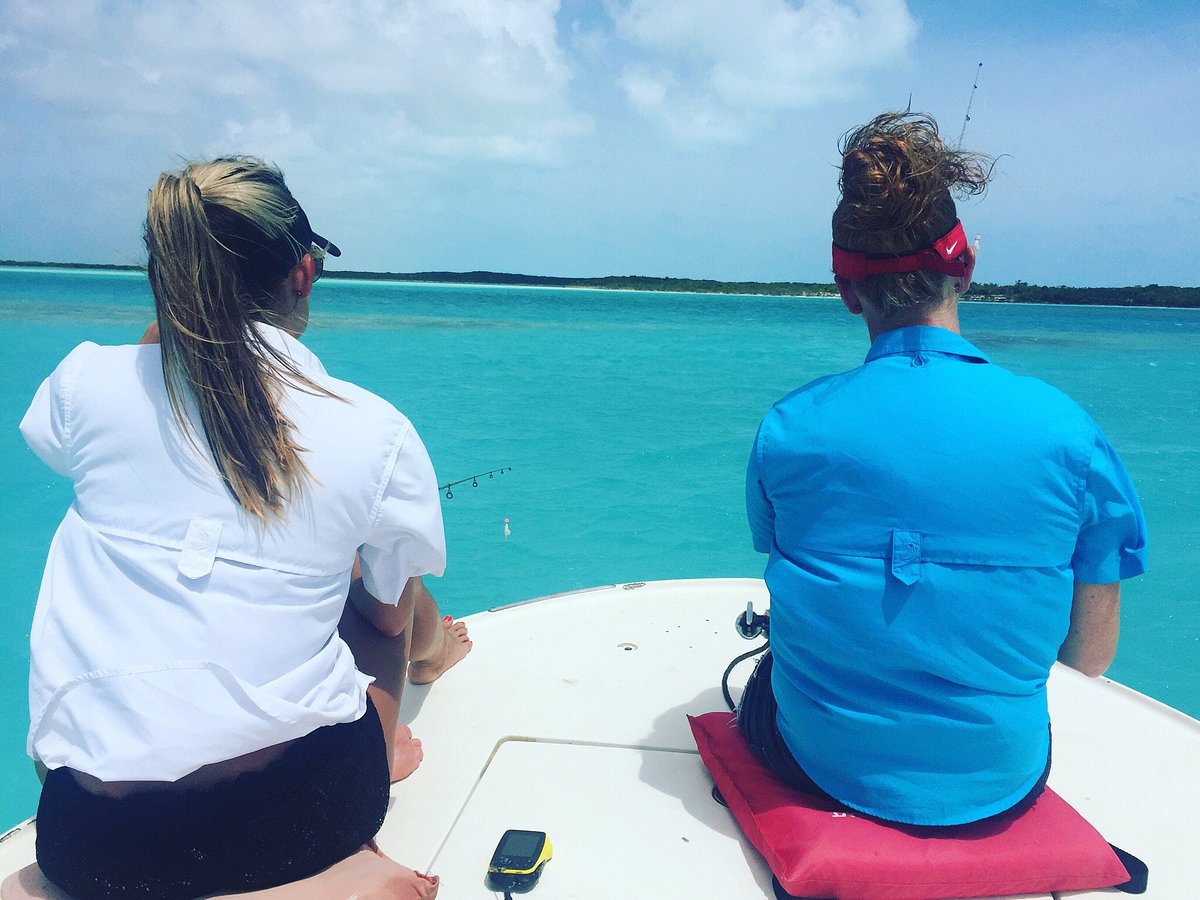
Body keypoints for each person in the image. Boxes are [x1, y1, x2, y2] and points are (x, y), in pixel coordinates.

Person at [11, 157, 473, 899]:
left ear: (167, 276)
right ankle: (390, 746)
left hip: (84, 839)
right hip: (291, 828)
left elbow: (118, 401)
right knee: (382, 592)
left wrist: (180, 313)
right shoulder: (373, 432)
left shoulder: (83, 382)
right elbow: (382, 616)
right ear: (304, 275)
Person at [741, 112, 1148, 828]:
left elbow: (792, 566)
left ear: (844, 288)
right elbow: (1090, 656)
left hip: (819, 766)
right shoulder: (1071, 435)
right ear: (964, 266)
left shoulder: (789, 427)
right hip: (1002, 781)